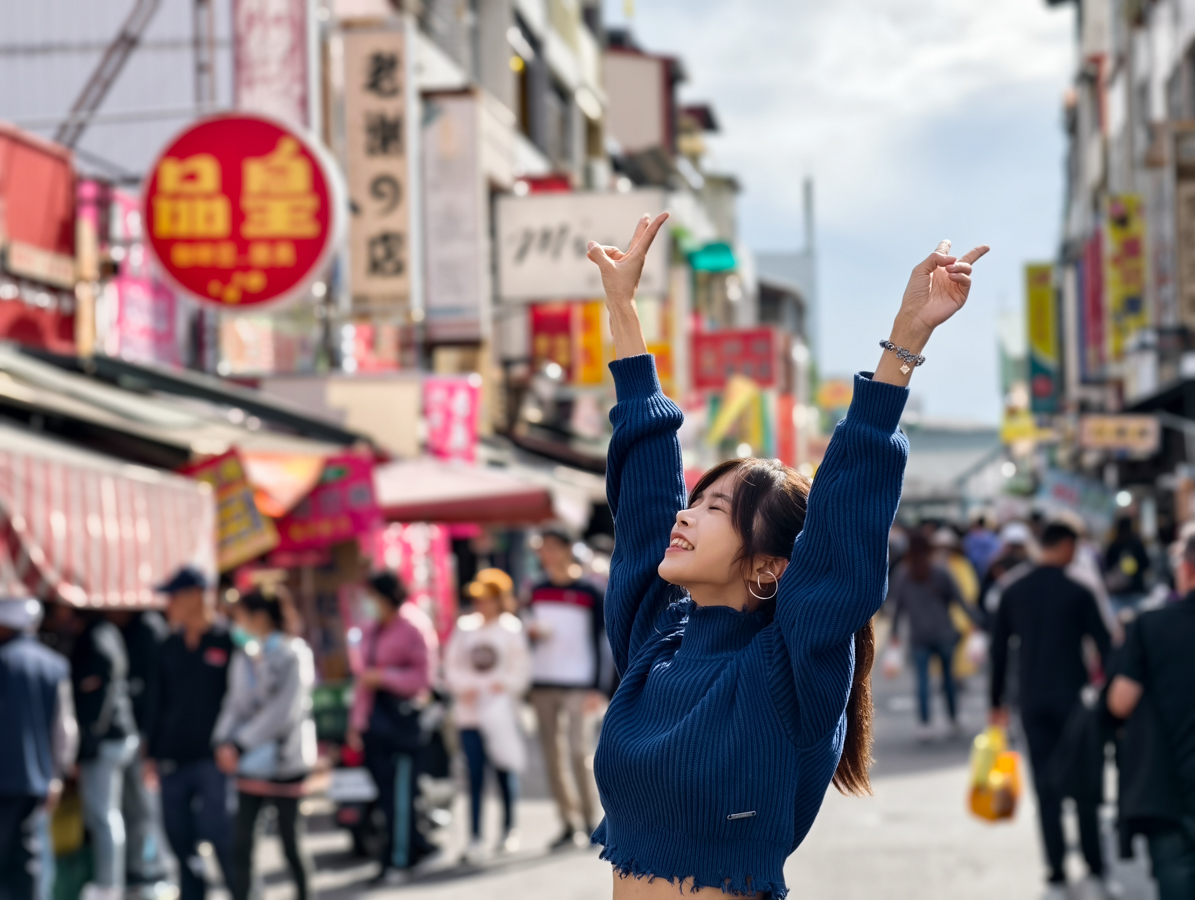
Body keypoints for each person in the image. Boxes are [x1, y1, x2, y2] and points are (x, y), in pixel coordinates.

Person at [585, 214, 988, 897]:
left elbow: (838, 537)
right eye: (697, 500)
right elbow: (645, 493)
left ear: (770, 565)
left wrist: (904, 344)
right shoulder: (656, 639)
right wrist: (622, 311)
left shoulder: (787, 666)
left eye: (716, 508)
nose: (685, 515)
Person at [989, 519, 1112, 897]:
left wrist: (997, 703)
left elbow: (998, 652)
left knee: (1046, 789)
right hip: (1075, 701)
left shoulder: (1013, 590)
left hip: (1031, 699)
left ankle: (1056, 873)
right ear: (1063, 546)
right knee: (1086, 786)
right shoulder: (1079, 589)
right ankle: (1094, 869)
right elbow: (1106, 648)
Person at [1106, 527, 1195, 900]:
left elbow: (1120, 702)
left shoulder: (1152, 625)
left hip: (1169, 787)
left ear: (1187, 569)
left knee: (1175, 878)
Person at [213, 588, 317, 900]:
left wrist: (241, 744)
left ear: (259, 617)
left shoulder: (293, 654)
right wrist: (222, 742)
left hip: (286, 761)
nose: (237, 624)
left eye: (241, 617)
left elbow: (283, 712)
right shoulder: (245, 656)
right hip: (249, 765)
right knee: (242, 844)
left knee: (290, 842)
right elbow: (234, 705)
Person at [148, 566, 235, 900]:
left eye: (174, 596)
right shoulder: (168, 645)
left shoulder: (229, 640)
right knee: (179, 839)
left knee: (221, 835)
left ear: (196, 595)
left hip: (215, 758)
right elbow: (157, 700)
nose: (168, 604)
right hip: (173, 758)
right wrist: (151, 752)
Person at [345, 572, 435, 880]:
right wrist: (356, 724)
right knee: (385, 796)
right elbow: (362, 682)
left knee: (399, 795)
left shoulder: (413, 626)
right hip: (375, 725)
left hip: (402, 725)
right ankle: (417, 846)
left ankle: (398, 859)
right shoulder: (369, 629)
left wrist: (385, 677)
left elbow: (424, 679)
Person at [526, 528, 609, 849]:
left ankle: (590, 819)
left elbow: (604, 642)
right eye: (541, 548)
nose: (544, 554)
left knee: (579, 752)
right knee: (552, 756)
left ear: (565, 549)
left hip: (581, 683)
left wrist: (599, 687)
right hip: (543, 682)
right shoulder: (535, 589)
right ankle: (567, 822)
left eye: (549, 547)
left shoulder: (591, 590)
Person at [444, 569, 532, 864]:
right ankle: (474, 836)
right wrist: (465, 687)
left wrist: (502, 687)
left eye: (487, 599)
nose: (481, 605)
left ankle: (509, 828)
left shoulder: (510, 628)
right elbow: (451, 665)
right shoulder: (465, 627)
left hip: (501, 714)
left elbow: (520, 671)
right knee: (474, 775)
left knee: (504, 770)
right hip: (470, 714)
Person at [0, 597, 77, 900]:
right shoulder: (53, 665)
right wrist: (56, 775)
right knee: (25, 860)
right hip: (33, 780)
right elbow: (64, 729)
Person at [68, 607, 139, 900]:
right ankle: (115, 880)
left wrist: (88, 738)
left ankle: (109, 885)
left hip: (108, 740)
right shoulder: (105, 633)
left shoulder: (98, 636)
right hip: (116, 736)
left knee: (104, 815)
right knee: (110, 813)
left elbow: (103, 684)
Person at [886, 531, 976, 738]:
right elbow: (960, 600)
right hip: (944, 633)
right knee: (949, 680)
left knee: (922, 682)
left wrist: (894, 634)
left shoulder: (902, 574)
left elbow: (896, 609)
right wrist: (978, 621)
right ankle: (953, 719)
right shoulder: (940, 570)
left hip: (919, 636)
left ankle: (924, 724)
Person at [107, 608, 171, 898]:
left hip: (147, 736)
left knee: (146, 809)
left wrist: (150, 733)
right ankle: (140, 869)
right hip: (132, 733)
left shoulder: (148, 627)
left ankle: (152, 870)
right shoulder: (126, 629)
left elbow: (158, 686)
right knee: (132, 807)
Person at [1104, 516, 1151, 610]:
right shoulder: (1136, 544)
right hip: (1134, 591)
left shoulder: (1113, 546)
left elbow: (1107, 567)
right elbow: (1146, 564)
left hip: (1120, 592)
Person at [963, 511, 1001, 581]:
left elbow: (965, 549)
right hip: (983, 567)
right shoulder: (990, 536)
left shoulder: (971, 536)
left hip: (979, 567)